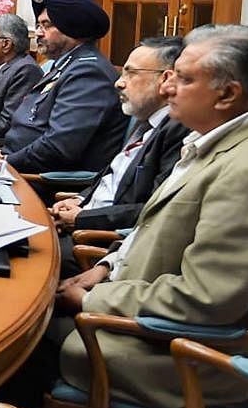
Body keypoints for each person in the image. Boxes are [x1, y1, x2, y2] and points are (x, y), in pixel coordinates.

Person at [55, 25, 248, 408]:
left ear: (227, 94)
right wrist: (107, 266)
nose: (167, 88)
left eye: (184, 79)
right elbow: (156, 223)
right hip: (139, 313)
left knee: (9, 344)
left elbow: (206, 298)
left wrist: (95, 297)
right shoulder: (214, 138)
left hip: (178, 358)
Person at [51, 37, 187, 274]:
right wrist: (79, 200)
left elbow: (152, 210)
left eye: (131, 73)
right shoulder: (145, 118)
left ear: (166, 79)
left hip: (101, 243)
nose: (119, 83)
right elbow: (112, 178)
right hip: (82, 225)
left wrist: (83, 218)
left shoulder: (178, 130)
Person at [2, 0, 127, 173]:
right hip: (16, 167)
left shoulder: (89, 72)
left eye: (47, 25)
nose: (38, 33)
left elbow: (57, 148)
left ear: (73, 28)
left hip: (39, 181)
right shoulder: (67, 64)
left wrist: (4, 162)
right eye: (38, 25)